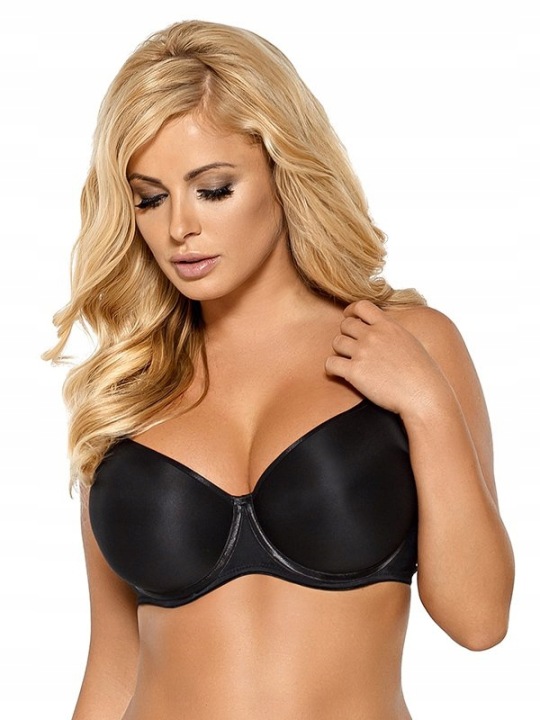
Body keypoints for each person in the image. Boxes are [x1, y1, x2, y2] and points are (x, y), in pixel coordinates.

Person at [44, 19, 514, 720]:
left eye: (213, 189)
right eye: (150, 197)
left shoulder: (410, 343)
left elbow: (479, 621)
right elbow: (113, 665)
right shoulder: (129, 389)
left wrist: (426, 403)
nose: (179, 228)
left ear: (281, 171)